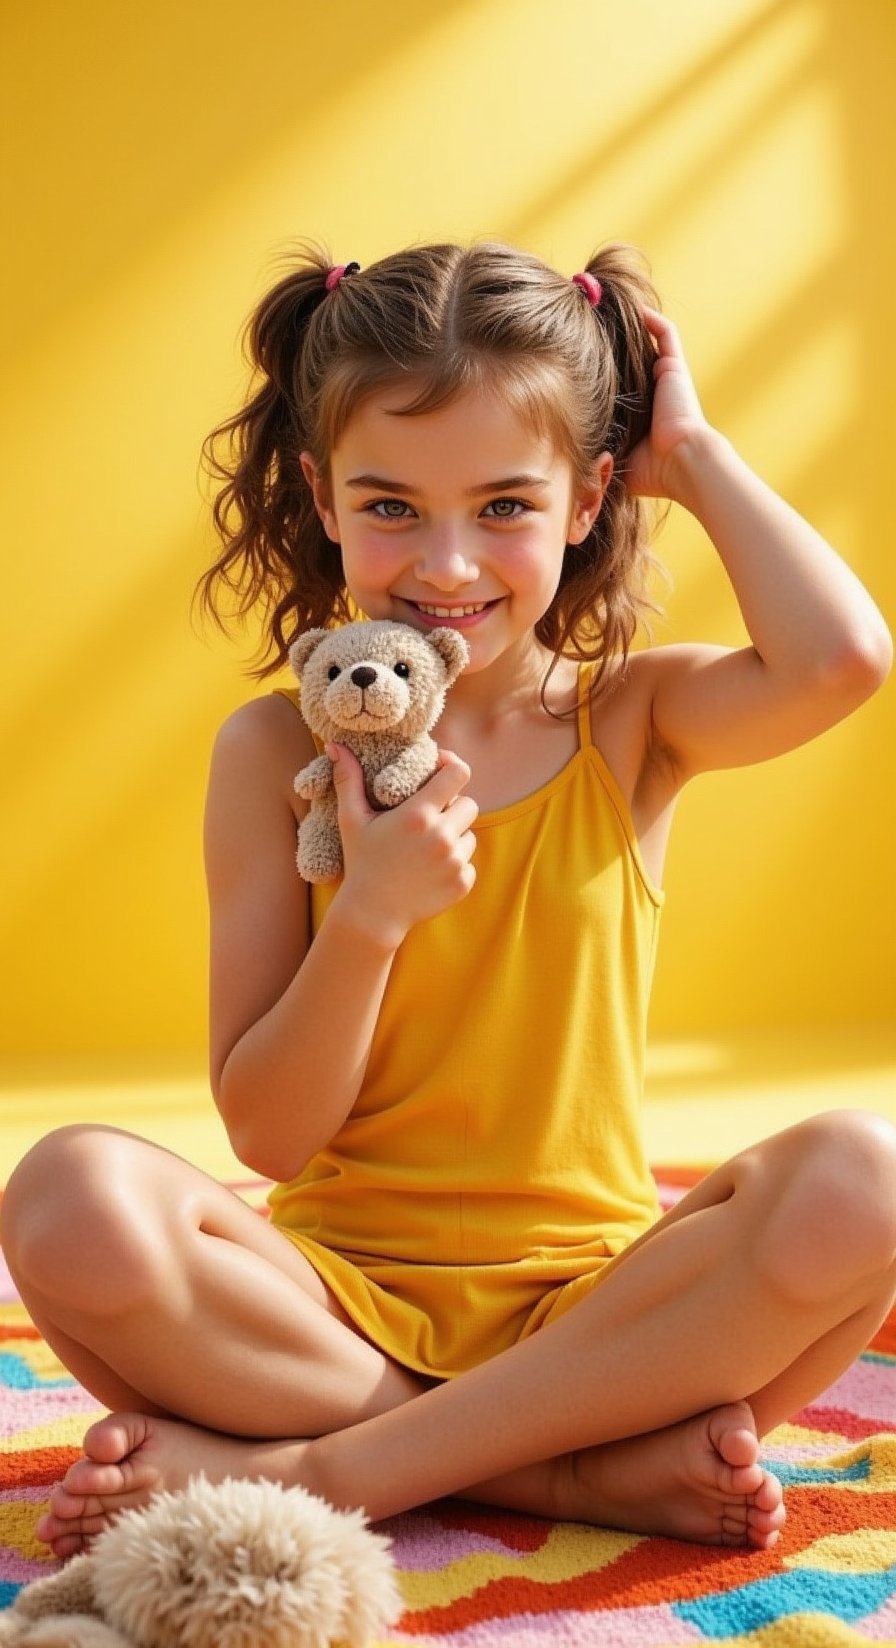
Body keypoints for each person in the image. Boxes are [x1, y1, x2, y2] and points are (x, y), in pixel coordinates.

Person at [3, 241, 894, 1561]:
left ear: (593, 495)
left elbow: (843, 662)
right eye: (393, 506)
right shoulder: (268, 758)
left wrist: (691, 453)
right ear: (320, 494)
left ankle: (332, 1472)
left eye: (505, 506)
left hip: (605, 1317)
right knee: (67, 1196)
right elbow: (269, 1136)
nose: (449, 561)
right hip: (325, 1313)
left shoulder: (634, 720)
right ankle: (563, 1474)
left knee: (868, 1183)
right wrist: (366, 913)